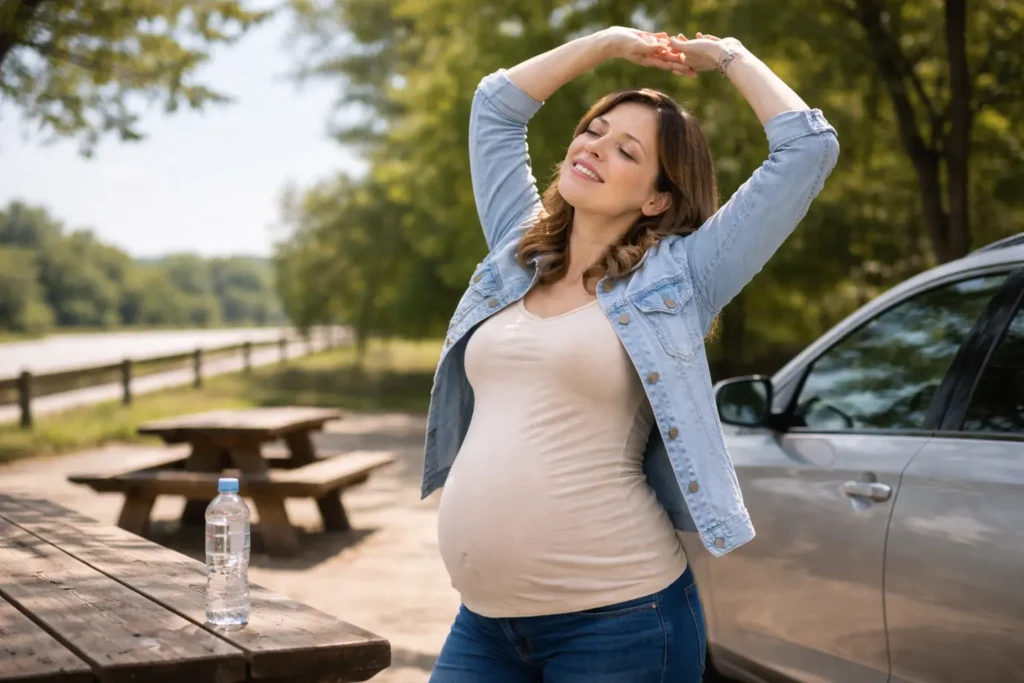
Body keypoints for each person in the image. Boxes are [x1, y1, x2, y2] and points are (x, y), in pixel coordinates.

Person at [421, 26, 839, 682]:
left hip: (619, 623)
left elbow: (807, 149)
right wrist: (607, 44)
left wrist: (727, 56)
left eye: (626, 149)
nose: (594, 146)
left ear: (656, 198)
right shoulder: (515, 252)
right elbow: (496, 107)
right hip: (485, 623)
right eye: (593, 130)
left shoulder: (684, 276)